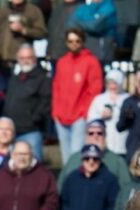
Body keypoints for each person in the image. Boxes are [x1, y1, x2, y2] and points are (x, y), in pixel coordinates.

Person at [58, 119, 137, 210]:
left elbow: (125, 193)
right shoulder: (73, 159)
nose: (95, 136)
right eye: (91, 133)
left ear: (105, 136)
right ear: (85, 136)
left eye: (99, 133)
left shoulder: (118, 161)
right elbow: (61, 192)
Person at [52, 28, 103, 167]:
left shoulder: (91, 62)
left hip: (79, 116)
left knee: (76, 157)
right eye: (70, 41)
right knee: (65, 158)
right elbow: (56, 88)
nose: (73, 44)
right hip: (61, 116)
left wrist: (84, 113)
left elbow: (95, 89)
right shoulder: (62, 62)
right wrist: (55, 112)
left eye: (77, 41)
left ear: (82, 42)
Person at [0, 141, 59, 210]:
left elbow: (52, 201)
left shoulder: (44, 175)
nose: (21, 158)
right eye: (18, 154)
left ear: (31, 155)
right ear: (12, 155)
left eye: (25, 154)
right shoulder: (0, 175)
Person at [2, 44, 50, 160]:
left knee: (34, 163)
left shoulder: (42, 78)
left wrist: (33, 119)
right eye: (22, 58)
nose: (25, 61)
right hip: (12, 131)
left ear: (34, 59)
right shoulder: (15, 78)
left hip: (31, 131)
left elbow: (46, 102)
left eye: (29, 58)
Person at [60, 142, 118, 210]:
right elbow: (64, 202)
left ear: (100, 160)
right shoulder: (72, 178)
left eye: (95, 158)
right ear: (82, 160)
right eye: (87, 158)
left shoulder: (109, 179)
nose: (91, 162)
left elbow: (113, 206)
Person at [86, 69, 127, 156]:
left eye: (115, 83)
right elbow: (90, 120)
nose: (112, 86)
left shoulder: (127, 99)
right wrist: (101, 117)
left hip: (123, 145)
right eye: (109, 83)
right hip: (104, 146)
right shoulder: (99, 99)